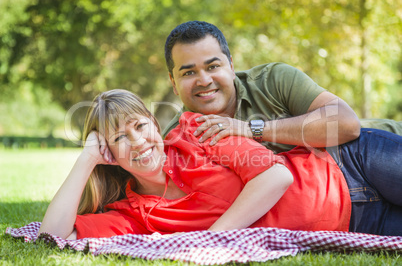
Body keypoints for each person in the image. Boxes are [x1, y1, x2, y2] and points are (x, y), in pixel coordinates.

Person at [38, 89, 402, 240]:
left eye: (139, 126)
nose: (137, 141)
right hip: (355, 221)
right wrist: (86, 158)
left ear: (152, 121)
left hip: (352, 162)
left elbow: (275, 176)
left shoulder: (196, 130)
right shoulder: (135, 215)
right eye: (119, 138)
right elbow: (54, 235)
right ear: (108, 153)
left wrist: (213, 242)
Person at [163, 20, 402, 153]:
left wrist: (250, 129)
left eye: (213, 66)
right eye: (189, 72)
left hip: (381, 147)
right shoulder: (175, 141)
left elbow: (345, 123)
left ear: (231, 66)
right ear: (173, 83)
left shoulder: (273, 79)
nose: (204, 80)